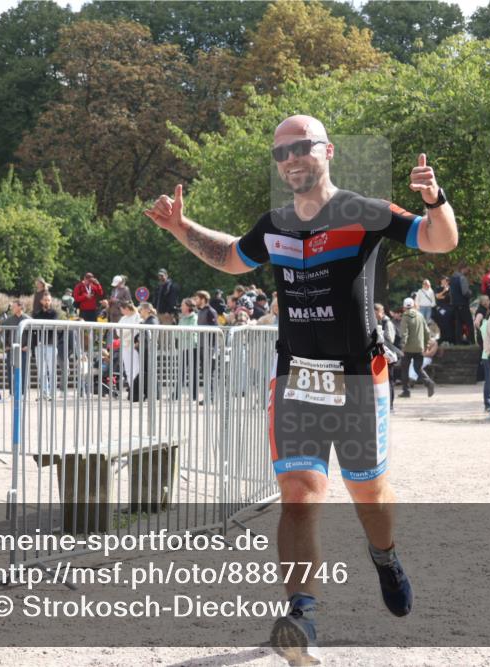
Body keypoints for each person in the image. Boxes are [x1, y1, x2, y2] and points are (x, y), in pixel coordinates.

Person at [144, 114, 457, 662]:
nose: (290, 159)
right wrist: (179, 228)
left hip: (360, 377)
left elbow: (439, 240)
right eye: (281, 152)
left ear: (327, 151)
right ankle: (302, 615)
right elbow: (231, 257)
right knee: (299, 496)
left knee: (369, 496)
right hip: (296, 378)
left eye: (301, 148)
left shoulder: (365, 213)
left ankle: (384, 556)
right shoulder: (276, 224)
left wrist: (435, 199)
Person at [398, 298, 435, 399]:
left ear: (404, 306)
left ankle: (406, 391)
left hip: (408, 348)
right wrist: (426, 345)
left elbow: (404, 333)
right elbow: (427, 332)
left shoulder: (405, 316)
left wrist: (402, 345)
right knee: (418, 368)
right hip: (419, 347)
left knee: (405, 369)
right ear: (414, 305)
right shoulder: (420, 315)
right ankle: (429, 382)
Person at [31, 293, 58, 399]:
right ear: (41, 301)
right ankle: (44, 392)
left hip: (51, 344)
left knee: (52, 370)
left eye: (48, 300)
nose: (47, 302)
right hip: (39, 345)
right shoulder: (36, 313)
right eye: (45, 300)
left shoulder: (54, 313)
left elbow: (53, 324)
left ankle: (52, 393)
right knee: (41, 371)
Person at [1, 300, 31, 395]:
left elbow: (33, 334)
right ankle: (12, 392)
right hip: (12, 350)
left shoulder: (27, 319)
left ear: (20, 307)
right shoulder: (9, 320)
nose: (12, 309)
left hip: (23, 350)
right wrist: (5, 345)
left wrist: (29, 345)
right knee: (10, 371)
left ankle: (22, 393)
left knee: (23, 371)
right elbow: (3, 332)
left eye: (14, 307)